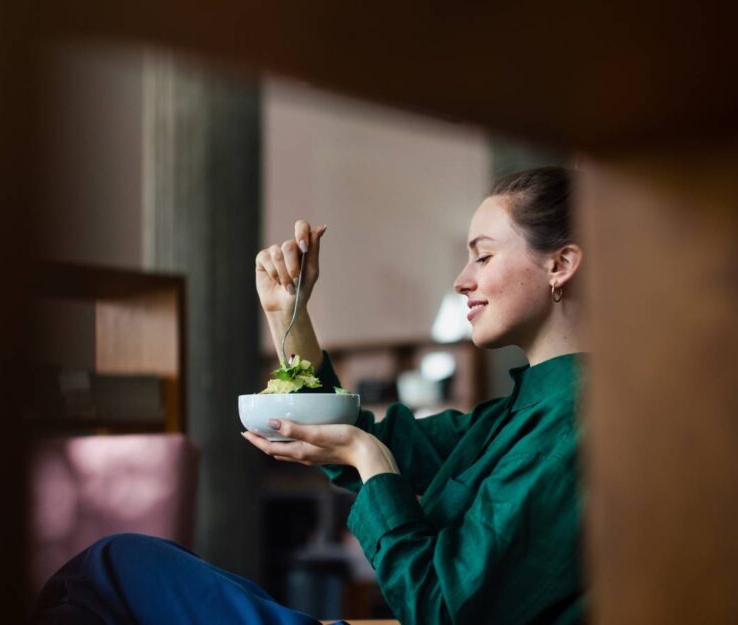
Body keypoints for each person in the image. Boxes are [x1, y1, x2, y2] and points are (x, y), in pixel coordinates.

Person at [31, 166, 587, 625]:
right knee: (109, 578)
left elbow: (439, 605)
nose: (462, 279)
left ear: (560, 265)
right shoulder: (513, 416)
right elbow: (359, 436)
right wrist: (287, 313)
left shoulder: (571, 426)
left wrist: (369, 462)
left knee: (116, 565)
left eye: (483, 256)